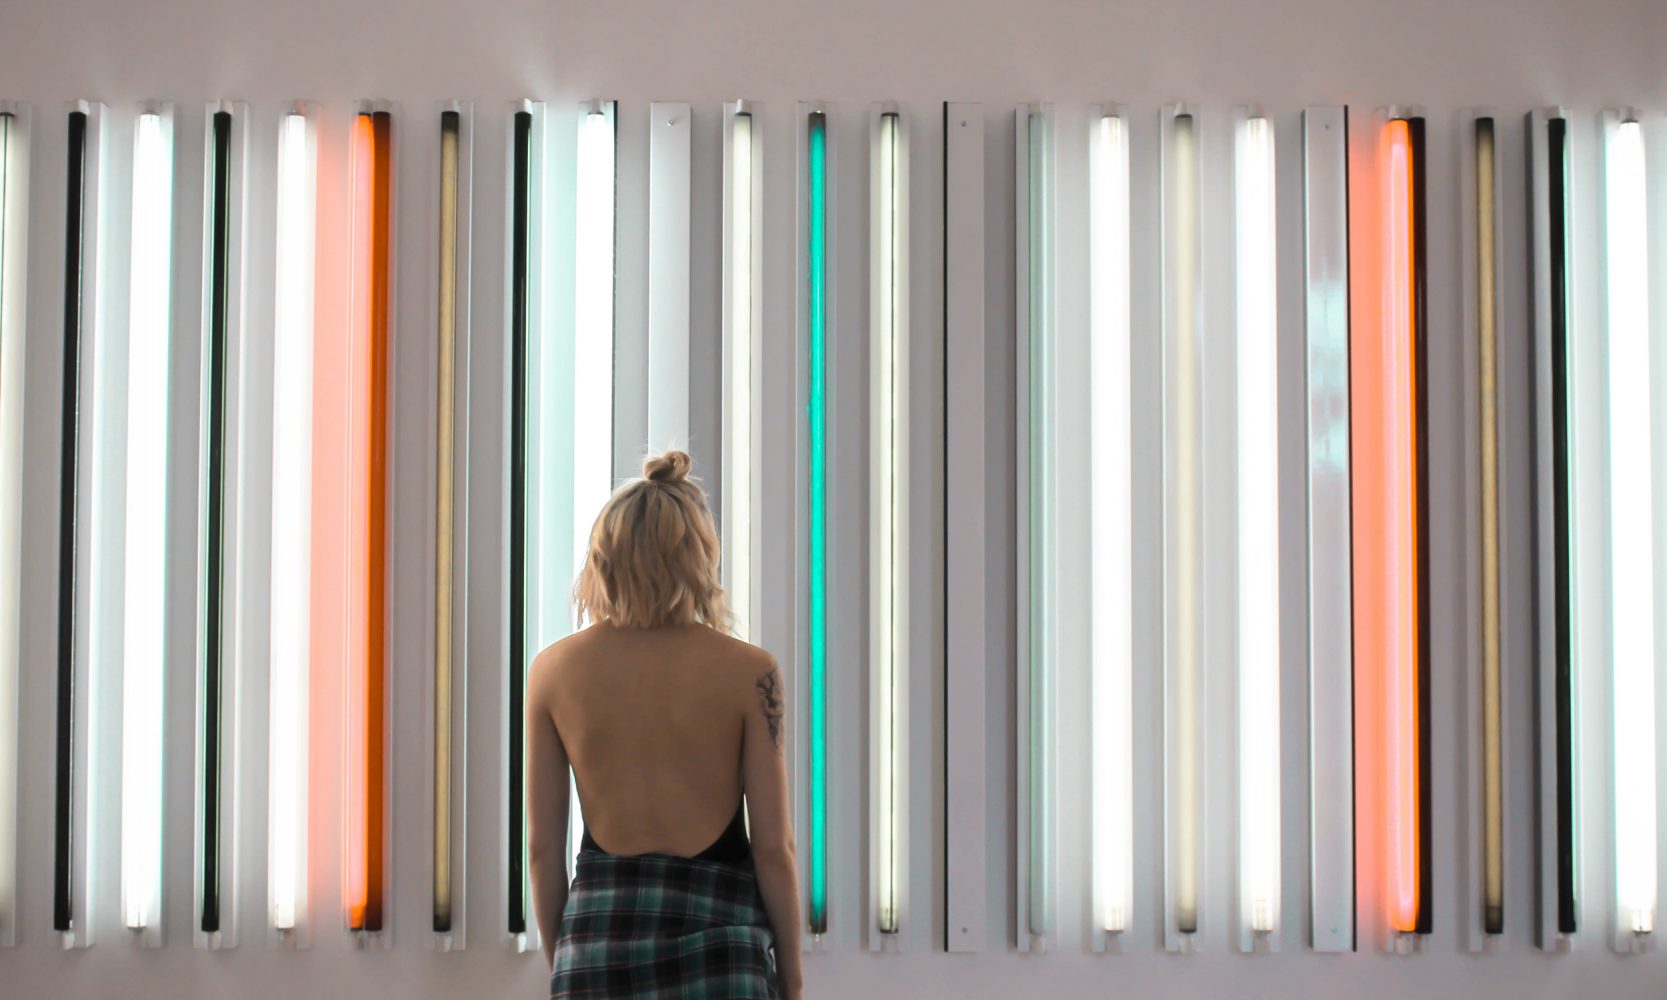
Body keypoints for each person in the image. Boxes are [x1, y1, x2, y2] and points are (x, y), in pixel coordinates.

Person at [527, 450, 805, 1000]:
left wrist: (565, 960)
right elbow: (774, 848)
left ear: (603, 557)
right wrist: (792, 983)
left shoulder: (553, 671)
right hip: (723, 953)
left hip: (596, 947)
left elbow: (542, 848)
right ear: (700, 557)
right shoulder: (751, 672)